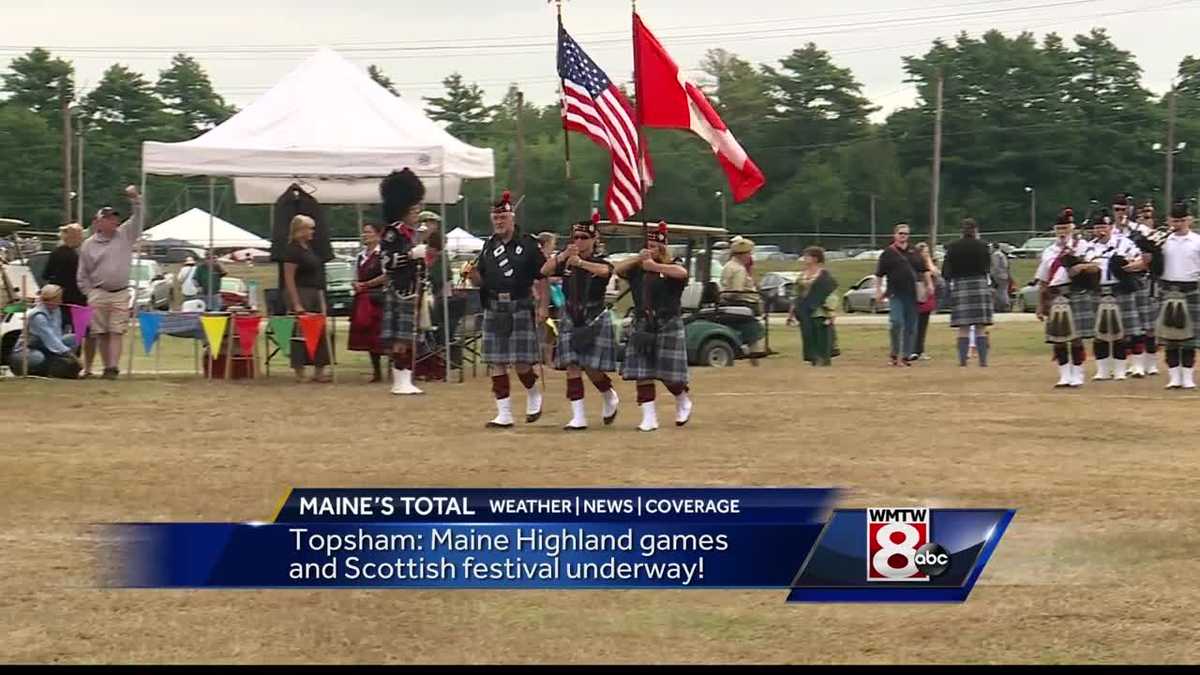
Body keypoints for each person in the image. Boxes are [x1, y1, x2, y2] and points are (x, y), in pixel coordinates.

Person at [463, 190, 546, 428]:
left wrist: (542, 306)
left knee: (521, 362)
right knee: (497, 361)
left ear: (512, 217)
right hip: (494, 306)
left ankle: (533, 393)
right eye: (495, 218)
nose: (499, 222)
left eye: (503, 218)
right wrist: (473, 275)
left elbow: (543, 276)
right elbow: (481, 282)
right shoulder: (488, 246)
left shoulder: (528, 244)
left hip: (520, 304)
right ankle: (504, 414)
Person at [541, 219, 619, 430]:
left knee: (591, 367)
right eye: (576, 237)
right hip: (570, 314)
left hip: (593, 316)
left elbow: (606, 271)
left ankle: (608, 394)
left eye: (584, 238)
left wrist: (580, 263)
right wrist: (564, 256)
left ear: (594, 240)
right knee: (572, 365)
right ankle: (578, 416)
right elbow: (544, 270)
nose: (579, 241)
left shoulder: (600, 260)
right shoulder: (566, 260)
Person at [615, 222, 692, 431]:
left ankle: (682, 399)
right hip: (643, 322)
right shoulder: (637, 268)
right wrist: (639, 259)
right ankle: (649, 417)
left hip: (667, 322)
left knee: (669, 373)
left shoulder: (672, 265)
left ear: (664, 247)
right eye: (648, 245)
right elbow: (618, 269)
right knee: (643, 372)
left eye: (656, 246)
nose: (651, 250)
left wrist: (655, 267)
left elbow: (682, 273)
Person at [76, 185, 141, 380]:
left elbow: (139, 218)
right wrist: (89, 293)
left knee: (116, 330)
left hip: (120, 292)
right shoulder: (88, 244)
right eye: (109, 218)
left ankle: (113, 367)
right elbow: (83, 272)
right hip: (98, 291)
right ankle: (106, 367)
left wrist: (135, 199)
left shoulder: (125, 234)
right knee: (101, 332)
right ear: (98, 222)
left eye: (115, 218)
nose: (114, 221)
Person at [1036, 208, 1099, 388]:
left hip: (1076, 292)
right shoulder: (1049, 251)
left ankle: (1077, 373)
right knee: (1059, 338)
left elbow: (1096, 266)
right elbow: (1043, 280)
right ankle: (1064, 374)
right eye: (1059, 229)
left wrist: (1081, 267)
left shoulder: (1083, 246)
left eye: (1065, 228)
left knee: (1076, 337)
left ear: (1072, 228)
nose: (1062, 232)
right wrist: (1041, 306)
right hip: (1056, 295)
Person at [377, 169, 426, 395]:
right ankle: (399, 378)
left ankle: (405, 377)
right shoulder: (392, 233)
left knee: (408, 335)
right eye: (414, 208)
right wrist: (412, 255)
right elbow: (387, 261)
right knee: (400, 336)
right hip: (399, 288)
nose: (418, 212)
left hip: (412, 288)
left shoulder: (410, 233)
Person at [1087, 209, 1145, 381]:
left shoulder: (1124, 243)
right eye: (1097, 227)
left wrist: (1128, 267)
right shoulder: (1090, 246)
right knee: (1100, 333)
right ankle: (1103, 370)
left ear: (1111, 227)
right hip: (1099, 291)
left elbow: (1140, 261)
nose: (1100, 230)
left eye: (1104, 226)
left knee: (1124, 332)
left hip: (1120, 289)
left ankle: (1122, 369)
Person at [1155, 201, 1200, 389]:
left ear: (1189, 219)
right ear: (1169, 220)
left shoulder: (1197, 241)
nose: (1178, 223)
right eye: (1175, 220)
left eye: (1182, 220)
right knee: (1171, 338)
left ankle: (1188, 377)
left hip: (1192, 289)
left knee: (1189, 339)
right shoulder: (1161, 241)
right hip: (1168, 288)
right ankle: (1174, 377)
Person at [1113, 194, 1159, 378]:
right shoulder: (1110, 231)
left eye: (1123, 209)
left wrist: (1137, 265)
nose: (1120, 213)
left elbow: (1153, 253)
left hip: (1140, 278)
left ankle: (1150, 362)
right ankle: (1129, 363)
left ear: (1129, 210)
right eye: (1117, 209)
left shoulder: (1140, 230)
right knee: (1126, 325)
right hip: (1119, 281)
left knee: (1146, 323)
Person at [282, 215, 332, 383]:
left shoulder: (309, 248)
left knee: (320, 332)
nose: (312, 232)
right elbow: (289, 278)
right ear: (300, 230)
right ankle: (299, 370)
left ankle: (319, 369)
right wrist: (296, 302)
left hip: (315, 292)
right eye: (310, 228)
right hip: (301, 293)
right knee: (300, 333)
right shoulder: (292, 250)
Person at [874, 223, 931, 366]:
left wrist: (928, 284)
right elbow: (879, 274)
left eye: (906, 234)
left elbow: (924, 270)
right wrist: (878, 290)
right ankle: (894, 353)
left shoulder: (914, 252)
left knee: (911, 326)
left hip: (912, 294)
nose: (903, 236)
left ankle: (906, 355)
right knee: (896, 322)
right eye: (900, 233)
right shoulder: (888, 253)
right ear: (895, 235)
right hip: (895, 293)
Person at [943, 218, 994, 367]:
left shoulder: (952, 247)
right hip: (979, 283)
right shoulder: (983, 246)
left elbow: (946, 272)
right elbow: (987, 268)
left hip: (960, 285)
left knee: (963, 327)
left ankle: (963, 361)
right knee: (981, 327)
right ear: (975, 230)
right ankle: (983, 361)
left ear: (962, 231)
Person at [8, 284, 81, 378]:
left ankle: (62, 365)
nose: (61, 301)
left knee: (73, 338)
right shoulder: (38, 316)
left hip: (46, 347)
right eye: (59, 299)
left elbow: (56, 335)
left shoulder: (56, 310)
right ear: (51, 299)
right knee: (39, 358)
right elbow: (50, 338)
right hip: (28, 349)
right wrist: (71, 355)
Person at [348, 223, 388, 382]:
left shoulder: (383, 254)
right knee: (369, 337)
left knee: (379, 336)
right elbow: (355, 276)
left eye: (369, 232)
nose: (365, 235)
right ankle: (376, 371)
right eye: (363, 232)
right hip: (363, 299)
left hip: (379, 299)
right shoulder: (360, 256)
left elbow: (387, 276)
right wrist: (356, 284)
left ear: (378, 235)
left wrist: (367, 284)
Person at [719, 237, 766, 360]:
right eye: (749, 254)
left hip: (728, 302)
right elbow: (737, 291)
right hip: (743, 303)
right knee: (755, 328)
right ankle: (754, 350)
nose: (750, 257)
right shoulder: (739, 269)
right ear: (743, 255)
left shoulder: (728, 265)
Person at [791, 246, 838, 366]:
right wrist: (792, 309)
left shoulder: (824, 275)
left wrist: (831, 310)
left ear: (816, 258)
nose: (805, 258)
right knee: (808, 334)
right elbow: (797, 293)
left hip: (820, 309)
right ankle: (813, 357)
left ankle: (824, 359)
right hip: (804, 309)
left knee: (822, 335)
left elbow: (830, 293)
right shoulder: (802, 275)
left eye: (808, 256)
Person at [43, 223, 87, 338]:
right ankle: (75, 352)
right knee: (79, 332)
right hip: (76, 298)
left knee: (57, 330)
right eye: (81, 236)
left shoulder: (55, 253)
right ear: (75, 237)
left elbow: (46, 274)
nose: (82, 239)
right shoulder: (74, 257)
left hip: (56, 298)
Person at [912, 242, 941, 361]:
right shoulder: (915, 265)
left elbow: (936, 273)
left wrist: (928, 260)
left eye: (928, 252)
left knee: (923, 325)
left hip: (927, 297)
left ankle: (920, 350)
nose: (926, 254)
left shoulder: (930, 263)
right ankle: (912, 350)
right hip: (917, 295)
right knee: (915, 325)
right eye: (924, 252)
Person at [536, 231, 560, 365]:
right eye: (552, 243)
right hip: (541, 297)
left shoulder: (551, 259)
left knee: (551, 330)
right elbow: (537, 278)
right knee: (542, 329)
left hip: (553, 298)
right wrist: (554, 279)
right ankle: (539, 359)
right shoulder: (538, 259)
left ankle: (549, 360)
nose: (553, 246)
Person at [990, 241, 1011, 312]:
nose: (990, 249)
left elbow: (995, 266)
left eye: (991, 247)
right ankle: (1004, 306)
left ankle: (1003, 306)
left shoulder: (996, 255)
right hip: (1004, 275)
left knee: (1000, 292)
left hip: (998, 275)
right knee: (1003, 291)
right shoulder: (1002, 254)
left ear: (994, 247)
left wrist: (992, 274)